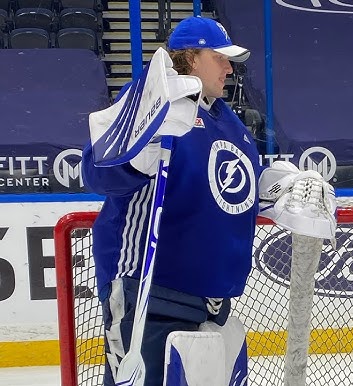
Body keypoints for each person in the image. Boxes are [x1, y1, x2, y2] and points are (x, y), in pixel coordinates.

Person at [82, 16, 335, 386]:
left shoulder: (228, 120)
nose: (230, 68)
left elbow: (228, 188)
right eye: (220, 58)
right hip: (151, 298)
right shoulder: (151, 100)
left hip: (213, 307)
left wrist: (283, 188)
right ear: (190, 57)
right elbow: (97, 173)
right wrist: (140, 152)